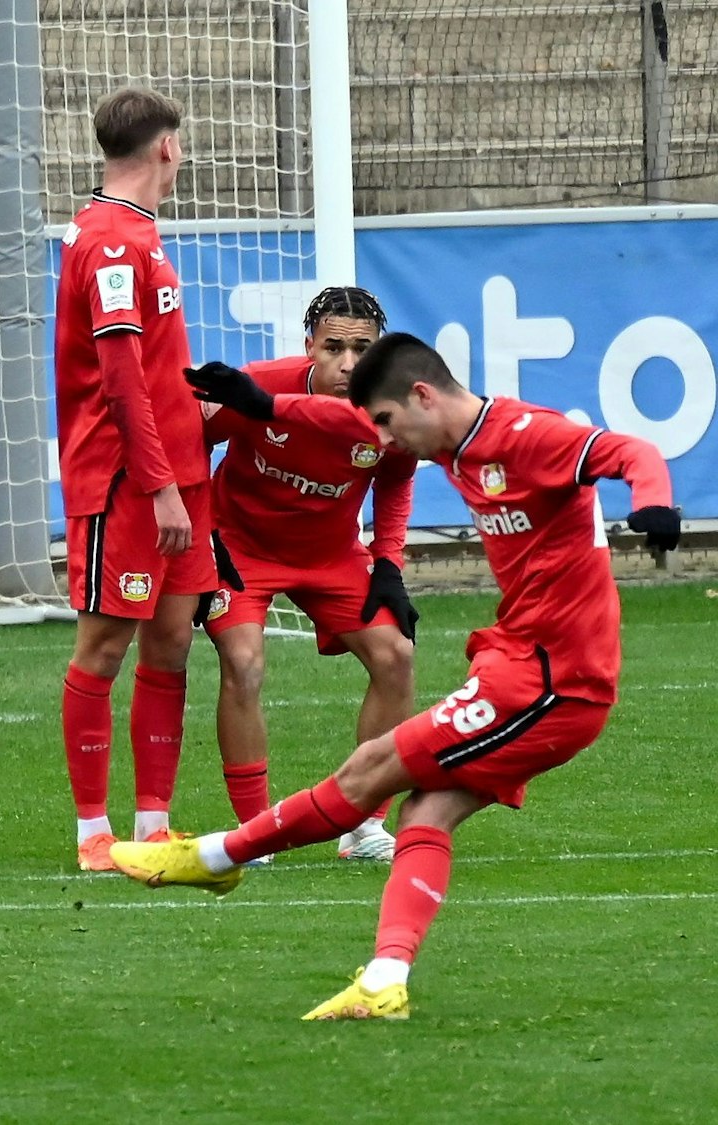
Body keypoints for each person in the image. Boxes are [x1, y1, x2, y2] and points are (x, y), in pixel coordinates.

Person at [110, 333, 680, 1020]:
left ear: (421, 396)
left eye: (385, 422)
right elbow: (340, 421)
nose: (380, 438)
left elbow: (631, 452)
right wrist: (265, 404)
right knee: (428, 811)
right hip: (519, 662)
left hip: (555, 680)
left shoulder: (530, 435)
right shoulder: (448, 441)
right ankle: (383, 981)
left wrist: (654, 501)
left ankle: (215, 856)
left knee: (374, 766)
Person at [52, 87, 218, 871]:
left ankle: (153, 824)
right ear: (167, 149)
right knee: (106, 642)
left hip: (182, 477)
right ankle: (93, 831)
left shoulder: (139, 236)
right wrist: (158, 486)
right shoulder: (112, 244)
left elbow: (151, 371)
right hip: (129, 483)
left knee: (173, 640)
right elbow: (119, 383)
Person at [195, 286, 415, 862]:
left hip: (331, 555)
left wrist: (388, 562)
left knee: (397, 657)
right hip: (240, 549)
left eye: (363, 350)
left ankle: (364, 824)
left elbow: (395, 481)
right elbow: (190, 447)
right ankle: (254, 831)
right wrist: (204, 537)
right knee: (242, 663)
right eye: (334, 348)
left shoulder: (392, 406)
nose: (348, 365)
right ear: (309, 346)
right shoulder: (259, 384)